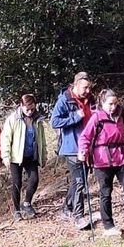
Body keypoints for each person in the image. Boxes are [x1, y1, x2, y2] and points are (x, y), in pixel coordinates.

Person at [78, 88, 124, 236]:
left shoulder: (122, 113)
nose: (113, 107)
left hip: (122, 156)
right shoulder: (96, 117)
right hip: (102, 160)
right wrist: (83, 150)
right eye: (110, 104)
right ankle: (108, 225)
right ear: (102, 103)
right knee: (105, 192)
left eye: (115, 103)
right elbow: (85, 137)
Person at [52, 72, 95, 229]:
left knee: (80, 180)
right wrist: (75, 117)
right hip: (72, 147)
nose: (87, 91)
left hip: (87, 146)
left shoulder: (91, 99)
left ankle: (66, 208)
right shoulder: (65, 100)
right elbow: (54, 122)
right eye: (85, 88)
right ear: (76, 85)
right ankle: (79, 216)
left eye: (89, 88)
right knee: (79, 182)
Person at [0, 94, 48, 221]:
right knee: (17, 183)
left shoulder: (37, 120)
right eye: (27, 109)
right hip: (16, 157)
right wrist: (6, 156)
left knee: (34, 179)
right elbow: (5, 138)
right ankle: (16, 210)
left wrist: (43, 155)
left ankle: (27, 203)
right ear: (21, 106)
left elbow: (41, 139)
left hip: (31, 155)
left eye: (32, 109)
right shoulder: (13, 119)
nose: (30, 112)